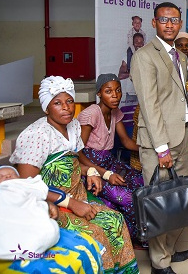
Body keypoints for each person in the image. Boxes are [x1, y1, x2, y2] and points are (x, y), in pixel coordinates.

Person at [9, 76, 138, 273]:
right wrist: (71, 204)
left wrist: (93, 172)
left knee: (116, 220)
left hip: (79, 196)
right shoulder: (36, 135)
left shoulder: (73, 128)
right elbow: (27, 186)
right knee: (96, 233)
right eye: (57, 103)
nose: (66, 108)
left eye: (69, 101)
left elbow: (75, 161)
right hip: (52, 205)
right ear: (46, 107)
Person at [130, 2, 188, 274]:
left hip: (181, 136)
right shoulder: (144, 56)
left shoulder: (179, 56)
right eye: (164, 19)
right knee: (160, 202)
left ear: (180, 23)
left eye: (174, 20)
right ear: (154, 23)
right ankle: (160, 263)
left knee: (179, 199)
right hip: (160, 143)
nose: (170, 24)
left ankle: (169, 250)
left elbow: (183, 98)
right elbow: (149, 106)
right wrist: (161, 148)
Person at [0, 166, 104, 274]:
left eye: (12, 175)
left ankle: (30, 240)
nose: (7, 177)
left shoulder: (25, 185)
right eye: (0, 176)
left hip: (25, 213)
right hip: (4, 212)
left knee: (43, 226)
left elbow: (42, 191)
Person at [77, 73, 144, 242]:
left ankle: (145, 232)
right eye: (108, 91)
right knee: (128, 197)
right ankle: (134, 238)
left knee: (141, 182)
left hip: (108, 161)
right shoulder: (91, 113)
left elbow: (127, 142)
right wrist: (105, 174)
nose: (115, 95)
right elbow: (77, 151)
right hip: (91, 167)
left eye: (118, 90)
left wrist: (154, 149)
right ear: (99, 93)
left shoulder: (115, 112)